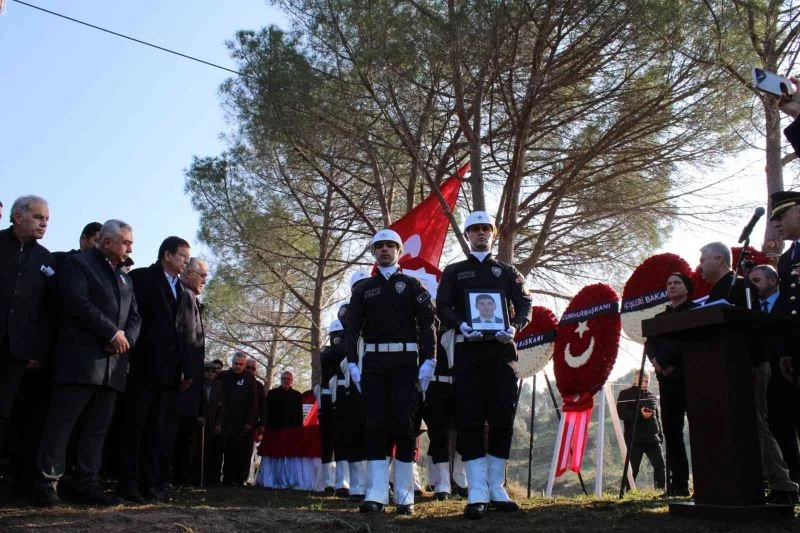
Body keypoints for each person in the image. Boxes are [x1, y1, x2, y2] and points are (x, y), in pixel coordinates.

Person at [34, 219, 140, 506]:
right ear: (106, 242)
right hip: (81, 361)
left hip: (113, 367)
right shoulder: (78, 265)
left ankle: (86, 483)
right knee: (63, 424)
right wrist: (110, 332)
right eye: (126, 242)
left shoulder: (124, 277)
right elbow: (77, 303)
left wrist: (124, 339)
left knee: (97, 429)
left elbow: (134, 317)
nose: (131, 247)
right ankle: (48, 481)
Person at [436, 211, 532, 519]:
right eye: (474, 229)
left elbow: (526, 303)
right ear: (466, 236)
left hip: (502, 352)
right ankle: (476, 490)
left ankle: (496, 487)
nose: (480, 234)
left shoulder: (506, 271)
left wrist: (516, 325)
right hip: (468, 351)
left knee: (503, 416)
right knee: (470, 418)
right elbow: (443, 306)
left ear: (493, 234)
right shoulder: (454, 271)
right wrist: (461, 325)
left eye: (485, 229)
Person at [345, 229, 437, 515]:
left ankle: (405, 495)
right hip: (373, 363)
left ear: (399, 251)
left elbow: (428, 324)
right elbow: (352, 331)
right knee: (375, 425)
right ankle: (375, 494)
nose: (385, 250)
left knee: (404, 424)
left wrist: (429, 360)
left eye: (390, 246)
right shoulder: (362, 289)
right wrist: (351, 362)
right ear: (374, 252)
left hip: (406, 362)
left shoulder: (413, 285)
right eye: (379, 247)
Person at [118, 236, 196, 502]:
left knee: (157, 431)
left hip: (170, 373)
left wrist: (187, 369)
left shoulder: (184, 293)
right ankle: (128, 483)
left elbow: (187, 333)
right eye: (183, 255)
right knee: (135, 427)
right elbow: (132, 317)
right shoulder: (141, 278)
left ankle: (149, 483)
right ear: (167, 255)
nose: (186, 261)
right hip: (142, 366)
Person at [0, 195, 57, 492]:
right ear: (18, 216)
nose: (44, 223)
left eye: (46, 218)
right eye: (38, 217)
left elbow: (47, 312)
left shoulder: (46, 259)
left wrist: (38, 350)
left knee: (4, 414)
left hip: (19, 351)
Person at [645, 272, 697, 497]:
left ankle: (706, 481)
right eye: (669, 283)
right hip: (666, 381)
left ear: (687, 288)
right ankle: (678, 484)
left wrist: (671, 363)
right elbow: (651, 344)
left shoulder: (696, 312)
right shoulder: (660, 318)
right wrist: (657, 363)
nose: (672, 286)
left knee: (698, 431)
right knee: (672, 432)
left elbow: (690, 343)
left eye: (677, 283)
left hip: (691, 379)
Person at [750, 264, 800, 484]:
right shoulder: (752, 307)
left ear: (773, 280)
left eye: (757, 280)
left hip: (789, 370)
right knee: (779, 427)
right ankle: (792, 477)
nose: (753, 286)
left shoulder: (789, 303)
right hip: (766, 375)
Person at [164, 257, 208, 485]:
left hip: (190, 382)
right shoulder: (185, 296)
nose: (205, 280)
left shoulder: (191, 298)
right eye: (202, 275)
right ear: (188, 273)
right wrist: (186, 371)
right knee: (170, 432)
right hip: (182, 380)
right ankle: (164, 477)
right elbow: (186, 335)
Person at [616, 370, 665, 490]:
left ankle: (660, 491)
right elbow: (621, 414)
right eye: (641, 380)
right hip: (634, 438)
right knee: (633, 468)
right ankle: (627, 492)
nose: (644, 383)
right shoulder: (625, 394)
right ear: (635, 380)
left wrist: (660, 434)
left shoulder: (652, 396)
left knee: (660, 465)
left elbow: (656, 416)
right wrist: (640, 414)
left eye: (646, 380)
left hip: (652, 438)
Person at [217, 351, 258, 486]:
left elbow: (253, 402)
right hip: (223, 420)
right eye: (236, 363)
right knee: (223, 450)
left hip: (241, 422)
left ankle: (238, 480)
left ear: (244, 364)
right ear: (232, 362)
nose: (238, 366)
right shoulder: (222, 376)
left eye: (241, 364)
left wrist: (249, 422)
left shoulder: (250, 379)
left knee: (239, 452)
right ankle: (222, 478)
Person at [319, 320, 345, 494]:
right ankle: (329, 482)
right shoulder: (326, 352)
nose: (336, 339)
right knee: (328, 441)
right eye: (334, 336)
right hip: (328, 397)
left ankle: (341, 482)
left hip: (342, 397)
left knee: (342, 440)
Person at [698, 241, 754, 306]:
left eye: (702, 260)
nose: (699, 266)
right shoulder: (723, 286)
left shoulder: (740, 286)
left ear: (718, 260)